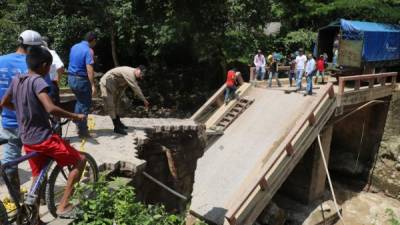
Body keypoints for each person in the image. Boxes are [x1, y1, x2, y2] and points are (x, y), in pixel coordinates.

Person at [1, 46, 87, 218]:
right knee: (80, 160)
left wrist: (21, 112)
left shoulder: (17, 79)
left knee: (38, 175)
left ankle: (35, 219)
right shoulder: (38, 80)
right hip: (43, 138)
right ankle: (63, 206)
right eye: (49, 67)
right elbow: (50, 108)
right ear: (45, 65)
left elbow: (4, 102)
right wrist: (75, 115)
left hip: (27, 138)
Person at [0, 30, 43, 202]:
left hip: (8, 120)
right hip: (32, 123)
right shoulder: (34, 64)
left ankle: (16, 200)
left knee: (10, 162)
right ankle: (35, 204)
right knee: (40, 162)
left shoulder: (1, 60)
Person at [99, 66, 149, 135]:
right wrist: (144, 100)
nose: (140, 76)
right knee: (111, 105)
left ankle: (118, 123)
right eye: (140, 73)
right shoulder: (130, 73)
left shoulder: (133, 76)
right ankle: (116, 127)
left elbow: (123, 86)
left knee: (117, 104)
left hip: (115, 87)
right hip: (106, 84)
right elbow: (135, 88)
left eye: (142, 75)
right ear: (137, 69)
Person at [68, 32, 97, 138]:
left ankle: (77, 123)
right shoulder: (88, 50)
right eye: (95, 41)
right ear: (93, 40)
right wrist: (93, 85)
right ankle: (83, 131)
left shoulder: (74, 47)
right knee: (85, 104)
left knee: (79, 101)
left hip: (71, 78)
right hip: (81, 80)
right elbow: (89, 68)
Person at [42, 36, 65, 105]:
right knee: (53, 106)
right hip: (50, 83)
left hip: (36, 83)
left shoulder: (33, 53)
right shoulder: (51, 52)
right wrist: (57, 79)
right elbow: (60, 67)